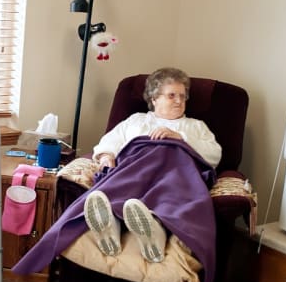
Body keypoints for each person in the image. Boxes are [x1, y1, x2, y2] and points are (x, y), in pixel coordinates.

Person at [82, 67, 221, 263]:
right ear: (154, 98)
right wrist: (106, 156)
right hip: (135, 173)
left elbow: (214, 155)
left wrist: (180, 138)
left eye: (183, 96)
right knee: (120, 177)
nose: (179, 101)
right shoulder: (137, 120)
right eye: (172, 95)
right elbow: (109, 141)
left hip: (174, 177)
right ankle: (111, 225)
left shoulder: (195, 126)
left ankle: (153, 228)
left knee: (166, 166)